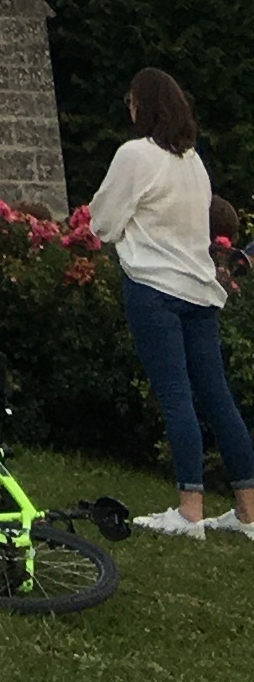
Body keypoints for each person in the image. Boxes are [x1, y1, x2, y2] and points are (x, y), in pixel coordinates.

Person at [86, 66, 253, 540]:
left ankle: (189, 510)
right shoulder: (193, 162)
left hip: (154, 289)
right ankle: (247, 511)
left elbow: (102, 221)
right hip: (199, 290)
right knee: (218, 397)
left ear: (144, 106)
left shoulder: (135, 155)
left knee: (176, 396)